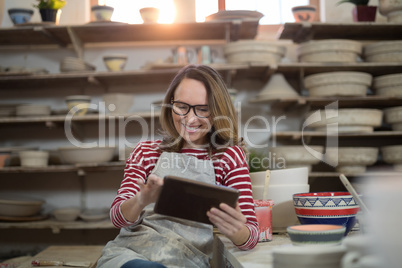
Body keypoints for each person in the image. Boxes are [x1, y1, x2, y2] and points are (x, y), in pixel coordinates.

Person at [97, 64, 259, 268]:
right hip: (131, 255)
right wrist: (140, 201)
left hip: (187, 260)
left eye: (203, 109)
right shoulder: (146, 152)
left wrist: (237, 230)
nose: (190, 118)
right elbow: (117, 219)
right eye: (182, 106)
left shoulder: (228, 156)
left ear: (217, 111)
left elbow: (251, 235)